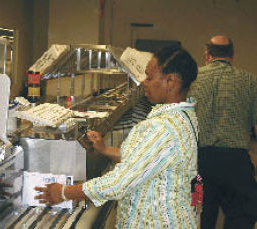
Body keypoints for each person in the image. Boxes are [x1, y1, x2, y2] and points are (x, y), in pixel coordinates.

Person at [34, 45, 199, 228]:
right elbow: (147, 161)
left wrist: (65, 192)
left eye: (150, 77)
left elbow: (119, 182)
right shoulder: (183, 115)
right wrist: (104, 149)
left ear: (170, 81)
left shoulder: (163, 127)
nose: (144, 82)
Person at [188, 35, 257, 229]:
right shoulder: (250, 81)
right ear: (233, 55)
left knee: (199, 217)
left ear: (207, 55)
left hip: (200, 165)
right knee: (241, 216)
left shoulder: (193, 79)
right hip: (236, 165)